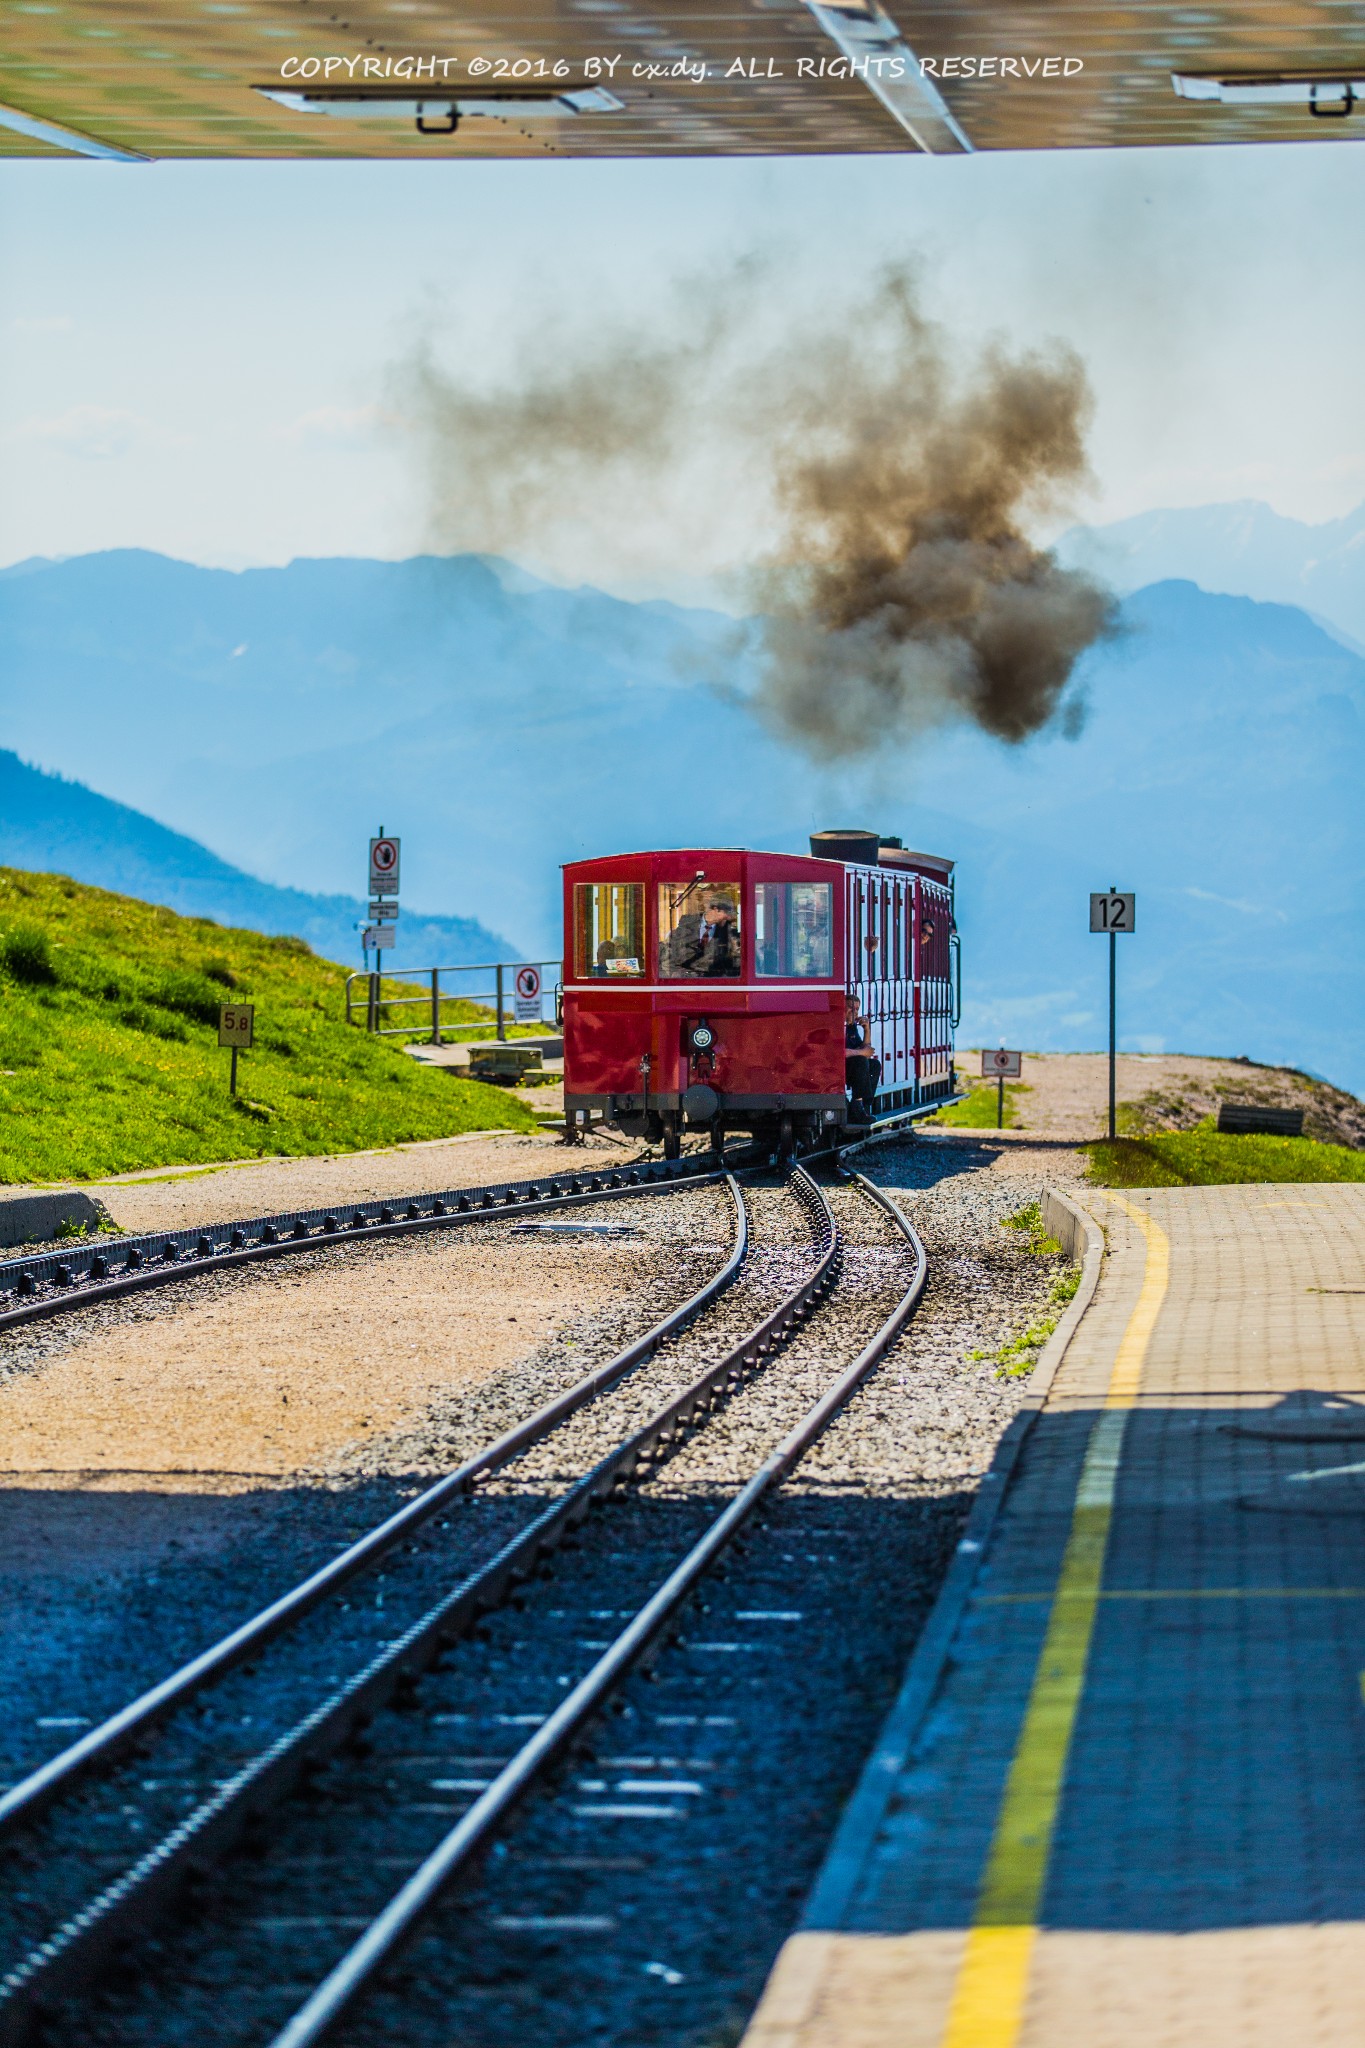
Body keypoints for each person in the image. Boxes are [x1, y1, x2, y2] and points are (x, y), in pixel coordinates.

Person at [664, 892, 741, 978]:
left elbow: (734, 967)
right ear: (716, 909)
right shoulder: (685, 926)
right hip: (686, 983)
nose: (729, 918)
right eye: (726, 914)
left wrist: (735, 953)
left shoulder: (729, 932)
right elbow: (669, 961)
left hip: (713, 983)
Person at [845, 994, 881, 1121]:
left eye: (857, 1009)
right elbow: (839, 1052)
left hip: (850, 1068)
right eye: (850, 1008)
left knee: (875, 1065)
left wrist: (867, 1030)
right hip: (837, 1069)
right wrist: (861, 1053)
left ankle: (863, 1107)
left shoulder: (851, 1027)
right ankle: (857, 1110)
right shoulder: (839, 1026)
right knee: (861, 1061)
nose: (854, 1012)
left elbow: (865, 1048)